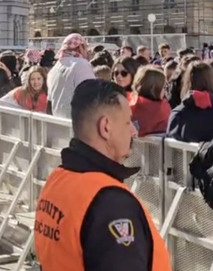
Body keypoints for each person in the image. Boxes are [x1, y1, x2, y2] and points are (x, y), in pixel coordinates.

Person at [33, 79, 172, 271]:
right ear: (106, 127)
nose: (134, 131)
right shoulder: (111, 203)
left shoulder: (58, 179)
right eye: (128, 122)